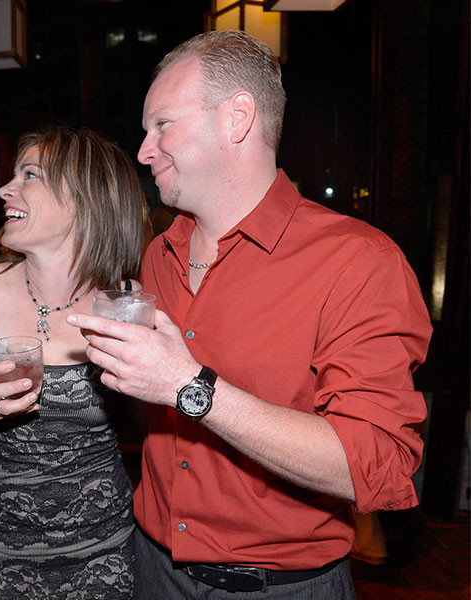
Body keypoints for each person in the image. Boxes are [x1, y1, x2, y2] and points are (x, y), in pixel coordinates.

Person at [68, 31, 432, 598]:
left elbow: (376, 464)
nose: (143, 150)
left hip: (282, 587)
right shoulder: (159, 255)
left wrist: (189, 386)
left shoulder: (358, 261)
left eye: (162, 125)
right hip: (151, 568)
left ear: (237, 118)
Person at [0, 126, 146, 599]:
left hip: (106, 556)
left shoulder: (128, 303)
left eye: (29, 175)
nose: (7, 189)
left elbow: (153, 428)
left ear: (85, 199)